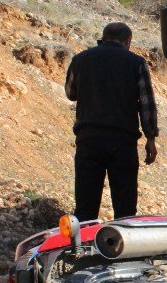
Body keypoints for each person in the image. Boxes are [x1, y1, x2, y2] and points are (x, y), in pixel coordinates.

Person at [65, 22, 158, 221]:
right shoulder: (136, 63)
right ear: (128, 41)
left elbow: (70, 93)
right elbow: (146, 103)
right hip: (122, 142)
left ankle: (82, 249)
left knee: (85, 207)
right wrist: (151, 138)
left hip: (88, 139)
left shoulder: (81, 59)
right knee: (125, 207)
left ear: (103, 37)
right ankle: (122, 248)